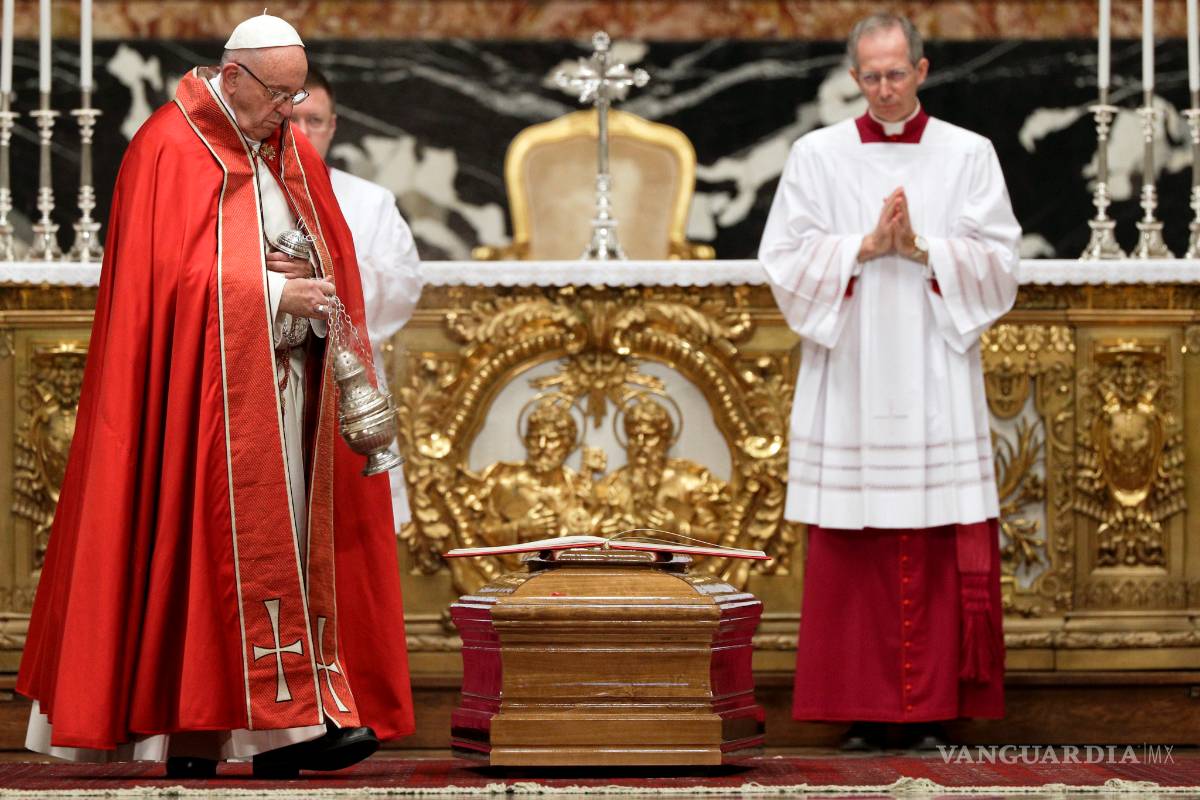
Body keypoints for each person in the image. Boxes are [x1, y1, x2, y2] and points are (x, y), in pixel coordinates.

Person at [16, 14, 414, 778]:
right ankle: (192, 729)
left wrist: (309, 282)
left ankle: (291, 729)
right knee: (198, 561)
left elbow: (326, 248)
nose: (289, 114)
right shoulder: (168, 147)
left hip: (287, 392)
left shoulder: (286, 150)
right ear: (234, 77)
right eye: (278, 96)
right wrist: (270, 294)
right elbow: (161, 288)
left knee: (294, 557)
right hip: (199, 408)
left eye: (298, 98)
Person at [758, 13, 1019, 749]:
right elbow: (783, 256)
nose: (883, 88)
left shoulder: (969, 154)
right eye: (869, 76)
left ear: (923, 70)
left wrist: (926, 247)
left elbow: (1000, 263)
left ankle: (935, 711)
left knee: (933, 540)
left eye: (896, 74)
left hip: (935, 371)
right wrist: (863, 247)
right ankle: (862, 710)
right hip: (854, 376)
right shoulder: (817, 154)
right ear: (852, 77)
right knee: (854, 546)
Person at [291, 65, 424, 528]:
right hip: (268, 379)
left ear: (333, 127)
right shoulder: (244, 198)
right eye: (292, 118)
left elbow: (403, 288)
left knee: (351, 528)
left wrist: (329, 277)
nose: (303, 131)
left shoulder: (370, 202)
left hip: (349, 381)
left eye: (315, 120)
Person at [596, 395, 729, 545]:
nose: (640, 444)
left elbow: (717, 538)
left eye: (649, 436)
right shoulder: (612, 485)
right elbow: (584, 533)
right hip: (624, 566)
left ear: (664, 440)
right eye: (633, 436)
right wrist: (605, 534)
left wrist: (676, 529)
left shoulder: (688, 484)